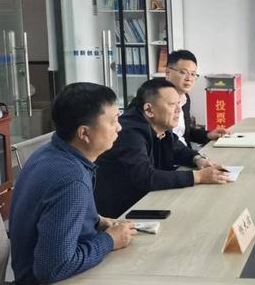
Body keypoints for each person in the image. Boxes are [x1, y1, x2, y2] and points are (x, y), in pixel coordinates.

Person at [8, 83, 136, 285]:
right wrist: (110, 240)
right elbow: (52, 269)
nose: (119, 127)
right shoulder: (71, 180)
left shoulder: (49, 152)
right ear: (84, 133)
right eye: (113, 121)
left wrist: (96, 220)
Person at [94, 79, 229, 218]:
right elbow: (145, 177)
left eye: (179, 104)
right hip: (121, 212)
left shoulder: (159, 125)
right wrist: (198, 176)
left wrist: (198, 159)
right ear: (149, 109)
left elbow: (176, 147)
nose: (178, 110)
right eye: (172, 104)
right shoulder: (129, 132)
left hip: (149, 200)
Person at [165, 49, 229, 148]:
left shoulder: (185, 98)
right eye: (183, 72)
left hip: (185, 153)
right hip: (171, 156)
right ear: (168, 72)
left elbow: (185, 131)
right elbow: (165, 141)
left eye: (193, 74)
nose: (189, 78)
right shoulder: (158, 101)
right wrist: (193, 156)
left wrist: (208, 135)